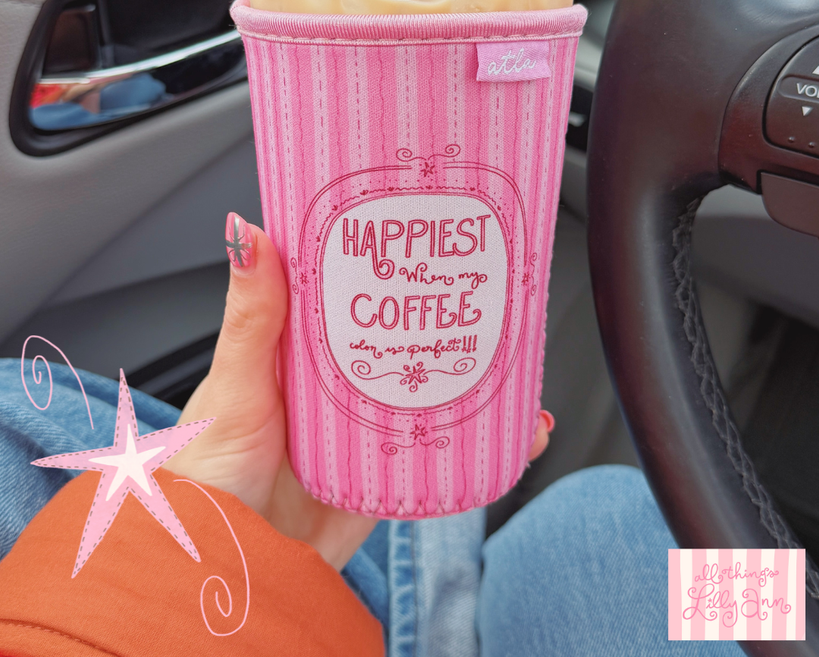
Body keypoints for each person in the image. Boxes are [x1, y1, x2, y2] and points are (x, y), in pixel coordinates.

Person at [0, 216, 742, 656]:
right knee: (621, 516)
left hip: (276, 606)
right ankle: (790, 606)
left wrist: (245, 551)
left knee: (596, 517)